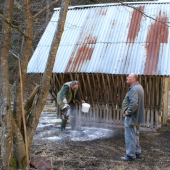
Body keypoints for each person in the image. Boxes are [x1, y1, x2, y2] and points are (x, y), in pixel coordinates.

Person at [121, 73, 144, 161]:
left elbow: (134, 103)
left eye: (129, 77)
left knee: (130, 136)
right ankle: (137, 152)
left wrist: (128, 112)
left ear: (133, 79)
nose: (127, 78)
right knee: (135, 135)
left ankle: (130, 155)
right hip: (137, 116)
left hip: (132, 116)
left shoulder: (134, 88)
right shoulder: (139, 87)